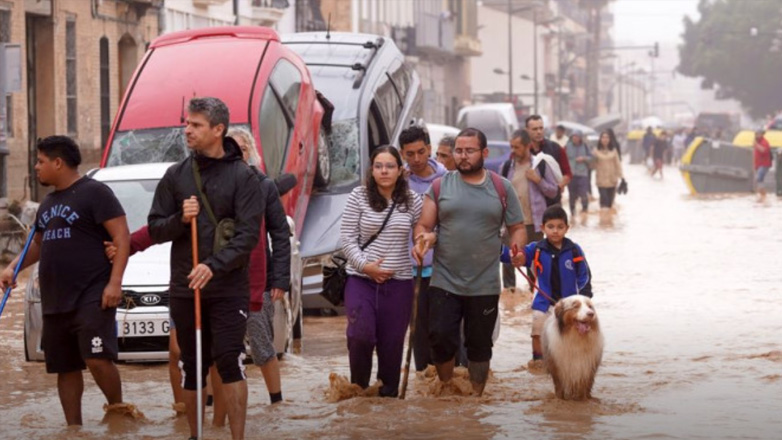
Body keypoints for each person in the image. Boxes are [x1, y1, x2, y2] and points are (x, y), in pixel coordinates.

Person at [148, 97, 263, 440]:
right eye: (187, 123)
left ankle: (237, 437)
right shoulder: (176, 175)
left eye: (196, 125)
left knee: (229, 360)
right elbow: (155, 228)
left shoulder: (244, 177)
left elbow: (246, 238)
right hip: (186, 287)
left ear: (218, 130)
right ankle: (195, 436)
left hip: (228, 287)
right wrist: (181, 219)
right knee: (191, 365)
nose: (187, 130)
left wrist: (213, 266)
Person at [1, 136, 132, 426]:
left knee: (97, 358)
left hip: (92, 293)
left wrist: (115, 283)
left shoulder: (96, 193)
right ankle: (74, 428)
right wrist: (12, 267)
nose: (36, 167)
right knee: (65, 367)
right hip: (56, 297)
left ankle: (119, 413)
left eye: (41, 161)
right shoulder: (47, 203)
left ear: (58, 163)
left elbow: (122, 236)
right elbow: (37, 243)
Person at [414, 128, 527, 396]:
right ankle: (446, 388)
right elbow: (424, 224)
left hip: (485, 283)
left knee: (479, 346)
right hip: (445, 280)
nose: (463, 157)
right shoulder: (441, 186)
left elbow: (518, 227)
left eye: (469, 151)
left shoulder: (501, 187)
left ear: (484, 153)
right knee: (440, 339)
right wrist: (422, 240)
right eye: (459, 151)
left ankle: (477, 398)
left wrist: (517, 249)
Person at [340, 145, 422, 397]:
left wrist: (421, 244)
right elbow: (346, 240)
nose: (384, 171)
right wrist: (366, 266)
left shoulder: (413, 201)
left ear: (400, 171)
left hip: (399, 285)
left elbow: (424, 230)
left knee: (392, 346)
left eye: (390, 166)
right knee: (360, 336)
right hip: (361, 280)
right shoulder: (358, 196)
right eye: (378, 166)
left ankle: (387, 401)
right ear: (372, 170)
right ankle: (359, 392)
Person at [504, 206, 591, 370]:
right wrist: (514, 256)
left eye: (560, 227)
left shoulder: (574, 250)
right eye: (550, 227)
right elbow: (518, 256)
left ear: (567, 228)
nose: (555, 231)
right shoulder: (536, 249)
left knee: (572, 334)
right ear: (542, 228)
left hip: (569, 305)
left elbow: (584, 275)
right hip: (543, 302)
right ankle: (538, 363)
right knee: (537, 332)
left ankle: (571, 364)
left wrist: (584, 298)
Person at [398, 126, 447, 373]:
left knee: (443, 329)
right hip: (411, 270)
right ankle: (423, 379)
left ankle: (446, 376)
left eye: (420, 152)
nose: (416, 159)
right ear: (402, 154)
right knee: (417, 331)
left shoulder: (447, 180)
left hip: (444, 269)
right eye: (410, 154)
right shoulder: (399, 183)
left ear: (429, 149)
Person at [525, 115, 571, 199]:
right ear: (527, 130)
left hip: (551, 201)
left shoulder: (555, 148)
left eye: (541, 128)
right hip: (530, 201)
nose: (539, 132)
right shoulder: (522, 151)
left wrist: (558, 187)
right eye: (535, 129)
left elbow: (567, 174)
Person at [594, 131, 624, 218]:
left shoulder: (614, 151)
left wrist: (622, 177)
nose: (605, 139)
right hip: (601, 180)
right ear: (600, 139)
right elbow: (592, 165)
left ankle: (608, 223)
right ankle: (603, 223)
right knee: (604, 202)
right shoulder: (595, 151)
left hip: (612, 180)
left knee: (610, 204)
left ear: (610, 139)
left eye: (607, 137)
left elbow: (618, 165)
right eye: (603, 137)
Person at [565, 130, 592, 218]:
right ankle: (572, 214)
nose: (575, 138)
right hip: (571, 174)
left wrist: (584, 158)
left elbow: (592, 157)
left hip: (582, 174)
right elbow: (562, 158)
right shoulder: (567, 146)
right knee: (572, 195)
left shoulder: (585, 146)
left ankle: (585, 211)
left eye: (577, 136)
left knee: (583, 193)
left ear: (580, 138)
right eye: (573, 136)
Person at [753, 128, 773, 202]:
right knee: (759, 180)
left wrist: (756, 145)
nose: (757, 135)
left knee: (759, 178)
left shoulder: (765, 142)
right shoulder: (757, 142)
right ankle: (762, 196)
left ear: (762, 134)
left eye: (759, 134)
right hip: (758, 164)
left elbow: (764, 151)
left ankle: (763, 195)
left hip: (764, 164)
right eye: (756, 134)